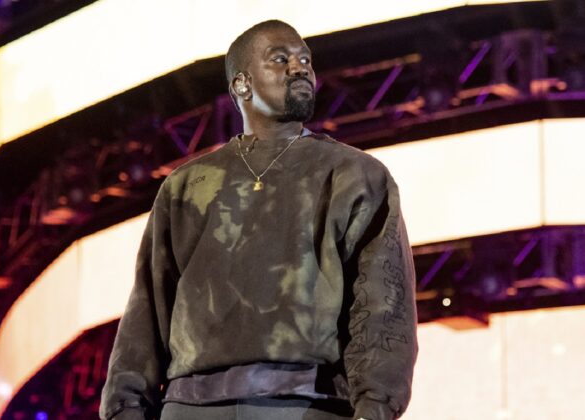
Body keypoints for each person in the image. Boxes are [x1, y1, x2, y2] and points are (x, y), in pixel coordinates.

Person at [99, 20, 417, 420]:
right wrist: (126, 407)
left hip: (308, 402)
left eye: (305, 60)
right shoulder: (187, 185)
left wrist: (375, 406)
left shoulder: (357, 176)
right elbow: (149, 304)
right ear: (242, 85)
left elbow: (384, 304)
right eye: (280, 59)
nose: (299, 68)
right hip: (191, 406)